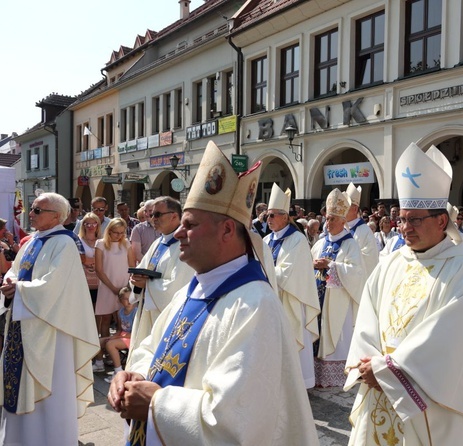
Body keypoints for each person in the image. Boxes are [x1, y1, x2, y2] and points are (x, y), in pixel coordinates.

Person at [108, 140, 318, 445]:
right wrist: (132, 376)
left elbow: (235, 420)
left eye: (190, 224)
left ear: (227, 231)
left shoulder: (254, 305)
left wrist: (156, 403)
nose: (178, 232)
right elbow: (153, 348)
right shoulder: (190, 292)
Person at [345, 143, 463, 445]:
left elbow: (448, 340)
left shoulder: (462, 271)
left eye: (415, 219)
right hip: (378, 389)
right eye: (402, 219)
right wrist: (367, 364)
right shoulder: (392, 261)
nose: (405, 228)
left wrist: (387, 371)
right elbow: (367, 316)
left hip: (430, 404)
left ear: (441, 221)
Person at [0, 192, 99, 444]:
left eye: (37, 210)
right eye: (32, 209)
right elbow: (14, 270)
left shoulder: (65, 243)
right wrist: (10, 282)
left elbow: (54, 286)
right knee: (19, 383)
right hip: (22, 325)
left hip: (50, 330)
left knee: (50, 388)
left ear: (56, 216)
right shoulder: (32, 241)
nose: (30, 214)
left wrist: (19, 289)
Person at [263, 183, 320, 388]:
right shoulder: (267, 239)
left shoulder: (297, 240)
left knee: (293, 339)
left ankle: (298, 384)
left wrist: (261, 274)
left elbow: (288, 273)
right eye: (266, 216)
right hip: (270, 299)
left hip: (291, 300)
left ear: (285, 217)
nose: (268, 219)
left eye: (272, 215)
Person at [127, 196, 194, 362]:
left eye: (157, 214)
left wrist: (147, 285)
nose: (152, 219)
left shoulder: (184, 244)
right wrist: (136, 280)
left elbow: (178, 287)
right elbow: (142, 268)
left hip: (165, 316)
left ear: (174, 216)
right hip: (147, 311)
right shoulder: (159, 242)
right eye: (150, 215)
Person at [311, 188, 365, 387]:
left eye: (333, 219)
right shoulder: (321, 242)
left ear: (343, 221)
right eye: (327, 218)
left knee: (337, 336)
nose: (328, 222)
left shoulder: (350, 244)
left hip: (338, 302)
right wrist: (313, 265)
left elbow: (357, 273)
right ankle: (317, 374)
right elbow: (308, 262)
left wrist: (332, 266)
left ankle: (336, 374)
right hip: (319, 297)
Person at [94, 218, 135, 343]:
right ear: (109, 231)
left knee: (122, 319)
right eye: (116, 232)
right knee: (105, 319)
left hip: (124, 287)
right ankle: (105, 350)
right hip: (107, 286)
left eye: (122, 232)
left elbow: (132, 265)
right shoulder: (100, 244)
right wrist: (113, 289)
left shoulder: (126, 243)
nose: (119, 235)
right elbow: (99, 270)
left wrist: (126, 288)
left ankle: (118, 350)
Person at [101, 286, 137, 383]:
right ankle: (99, 364)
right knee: (101, 341)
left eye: (130, 299)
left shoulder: (136, 312)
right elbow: (119, 329)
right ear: (120, 300)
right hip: (123, 335)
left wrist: (116, 338)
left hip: (132, 338)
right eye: (125, 299)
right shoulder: (120, 312)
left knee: (110, 344)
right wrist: (112, 336)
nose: (128, 301)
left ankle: (118, 371)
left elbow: (134, 333)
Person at [345, 182, 379, 279]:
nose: (343, 210)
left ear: (355, 209)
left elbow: (369, 259)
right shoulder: (342, 227)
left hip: (358, 280)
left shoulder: (365, 231)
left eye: (346, 207)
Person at [78, 212, 102, 308]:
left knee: (98, 309)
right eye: (87, 224)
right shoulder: (78, 240)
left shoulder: (102, 240)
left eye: (94, 223)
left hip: (99, 280)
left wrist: (88, 260)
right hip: (83, 280)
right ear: (83, 225)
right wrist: (94, 260)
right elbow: (78, 258)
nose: (91, 226)